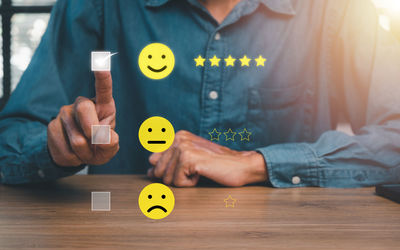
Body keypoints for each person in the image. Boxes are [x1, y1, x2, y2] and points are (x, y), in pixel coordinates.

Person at [0, 0, 400, 187]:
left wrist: (258, 163)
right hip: (129, 245)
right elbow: (10, 145)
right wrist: (57, 147)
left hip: (289, 249)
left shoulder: (340, 9)